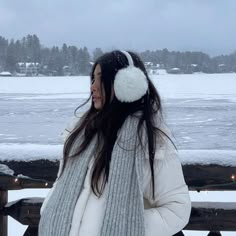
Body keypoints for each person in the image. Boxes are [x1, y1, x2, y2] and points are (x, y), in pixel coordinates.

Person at [39, 50, 191, 236]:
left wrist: (129, 225)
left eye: (101, 79)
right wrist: (50, 212)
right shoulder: (80, 134)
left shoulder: (150, 141)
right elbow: (59, 185)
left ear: (127, 84)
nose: (93, 87)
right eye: (92, 79)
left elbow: (176, 209)